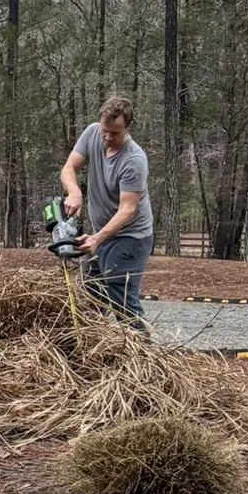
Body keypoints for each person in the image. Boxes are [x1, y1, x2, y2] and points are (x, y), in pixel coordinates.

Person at [59, 95, 154, 332]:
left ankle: (142, 355)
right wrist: (74, 193)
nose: (108, 138)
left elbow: (127, 210)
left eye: (115, 133)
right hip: (101, 234)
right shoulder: (92, 133)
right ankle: (93, 354)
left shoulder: (134, 160)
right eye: (105, 131)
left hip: (131, 237)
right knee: (90, 298)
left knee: (120, 300)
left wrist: (97, 238)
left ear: (127, 127)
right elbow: (69, 168)